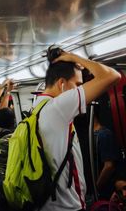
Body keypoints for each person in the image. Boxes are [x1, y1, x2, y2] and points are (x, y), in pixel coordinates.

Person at [34, 46, 120, 211]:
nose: (81, 88)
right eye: (78, 84)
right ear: (62, 84)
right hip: (68, 207)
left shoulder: (38, 106)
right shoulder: (57, 107)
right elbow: (112, 75)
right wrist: (74, 57)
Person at [94, 107, 121, 200]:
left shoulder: (104, 134)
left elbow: (109, 166)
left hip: (105, 193)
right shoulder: (91, 135)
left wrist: (95, 188)